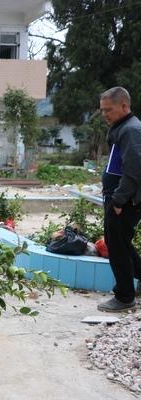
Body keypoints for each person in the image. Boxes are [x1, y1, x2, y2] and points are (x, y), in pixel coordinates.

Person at [97, 86, 141, 312]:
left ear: (124, 106)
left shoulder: (131, 130)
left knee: (117, 247)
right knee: (121, 244)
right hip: (118, 198)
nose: (105, 114)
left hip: (124, 201)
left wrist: (119, 200)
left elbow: (134, 169)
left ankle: (124, 297)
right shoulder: (122, 127)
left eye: (109, 110)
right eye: (102, 110)